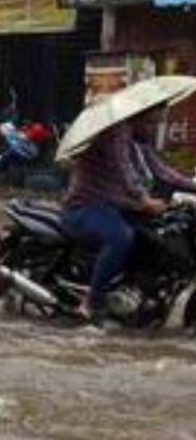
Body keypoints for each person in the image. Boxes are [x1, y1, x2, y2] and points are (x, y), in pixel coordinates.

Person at [61, 105, 178, 321]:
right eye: (152, 122)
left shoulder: (140, 142)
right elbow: (124, 171)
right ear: (139, 116)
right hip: (85, 207)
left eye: (159, 123)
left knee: (154, 236)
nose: (155, 129)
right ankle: (91, 302)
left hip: (117, 208)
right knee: (120, 237)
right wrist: (144, 200)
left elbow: (164, 172)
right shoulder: (116, 133)